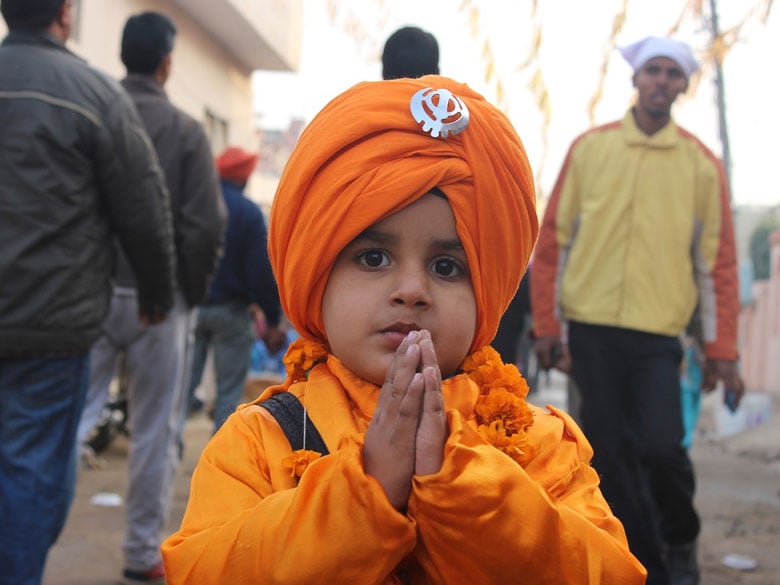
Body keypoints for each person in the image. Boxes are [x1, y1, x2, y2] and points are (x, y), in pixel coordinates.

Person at [161, 76, 647, 584]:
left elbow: (606, 571)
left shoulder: (539, 443)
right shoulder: (261, 439)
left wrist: (464, 486)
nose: (412, 289)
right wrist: (365, 491)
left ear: (487, 288)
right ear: (317, 274)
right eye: (373, 258)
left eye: (446, 267)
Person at [531, 36, 743, 585]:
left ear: (683, 85)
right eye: (654, 70)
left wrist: (722, 351)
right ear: (636, 78)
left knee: (662, 449)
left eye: (674, 73)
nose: (662, 82)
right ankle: (644, 561)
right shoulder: (590, 149)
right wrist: (549, 327)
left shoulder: (701, 165)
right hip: (593, 332)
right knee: (605, 456)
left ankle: (681, 538)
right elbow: (552, 242)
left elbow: (716, 265)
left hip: (657, 337)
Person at [0, 1, 176, 584]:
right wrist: (156, 291)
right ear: (65, 14)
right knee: (32, 477)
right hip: (51, 326)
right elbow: (144, 211)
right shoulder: (93, 96)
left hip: (52, 325)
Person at [74, 11, 225, 585]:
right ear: (166, 62)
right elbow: (205, 226)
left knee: (71, 417)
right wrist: (188, 293)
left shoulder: (95, 111)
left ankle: (28, 534)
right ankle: (141, 554)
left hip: (88, 294)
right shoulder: (186, 132)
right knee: (154, 428)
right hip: (160, 300)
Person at [185, 146, 286, 433]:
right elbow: (260, 272)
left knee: (181, 390)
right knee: (229, 392)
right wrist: (271, 318)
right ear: (243, 178)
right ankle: (220, 464)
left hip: (192, 309)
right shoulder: (248, 213)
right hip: (232, 313)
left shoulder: (195, 206)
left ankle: (171, 456)